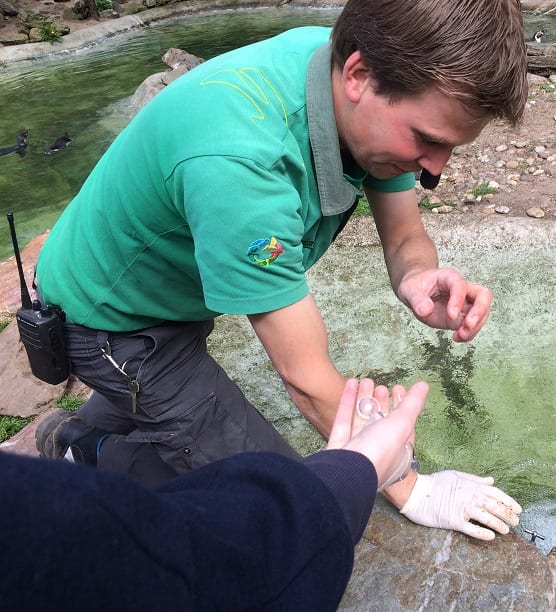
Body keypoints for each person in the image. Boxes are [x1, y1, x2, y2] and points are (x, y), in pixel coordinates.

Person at [33, 0, 529, 540]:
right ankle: (90, 452)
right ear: (359, 75)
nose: (436, 168)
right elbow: (304, 377)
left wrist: (415, 276)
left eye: (451, 146)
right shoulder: (242, 163)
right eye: (428, 140)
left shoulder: (342, 73)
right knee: (282, 514)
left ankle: (102, 423)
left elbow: (406, 234)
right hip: (113, 324)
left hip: (165, 293)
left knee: (184, 413)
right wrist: (411, 487)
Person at [2, 379, 432, 609]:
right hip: (112, 329)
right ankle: (88, 443)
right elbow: (223, 570)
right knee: (266, 473)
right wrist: (363, 473)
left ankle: (84, 431)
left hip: (157, 319)